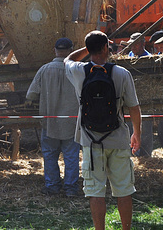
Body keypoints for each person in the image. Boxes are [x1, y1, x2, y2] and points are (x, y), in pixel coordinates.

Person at [65, 30, 141, 230]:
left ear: (89, 50)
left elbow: (67, 59)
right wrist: (137, 134)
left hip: (90, 141)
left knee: (95, 192)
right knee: (124, 190)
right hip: (118, 139)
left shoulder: (78, 71)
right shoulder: (122, 74)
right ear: (107, 48)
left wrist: (87, 48)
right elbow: (134, 107)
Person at [26, 37, 81, 197]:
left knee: (50, 156)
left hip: (50, 123)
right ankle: (71, 189)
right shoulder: (77, 69)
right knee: (71, 157)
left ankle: (53, 187)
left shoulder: (44, 69)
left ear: (55, 50)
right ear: (71, 50)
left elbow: (31, 94)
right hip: (71, 123)